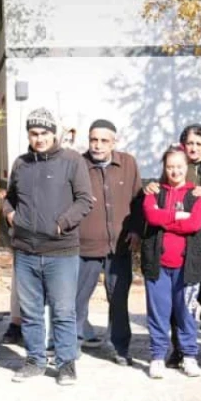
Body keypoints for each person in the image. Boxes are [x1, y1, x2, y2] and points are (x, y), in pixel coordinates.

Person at [2, 107, 94, 385]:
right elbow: (10, 198)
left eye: (44, 133)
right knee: (30, 311)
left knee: (63, 311)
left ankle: (66, 364)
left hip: (61, 251)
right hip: (26, 251)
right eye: (34, 133)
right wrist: (10, 213)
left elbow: (85, 199)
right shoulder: (21, 164)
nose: (39, 138)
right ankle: (34, 360)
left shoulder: (72, 161)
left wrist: (61, 223)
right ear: (28, 135)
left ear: (54, 134)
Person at [143, 124, 201, 368]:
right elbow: (160, 195)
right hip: (181, 245)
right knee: (177, 301)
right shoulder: (175, 165)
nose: (193, 148)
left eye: (198, 144)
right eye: (189, 143)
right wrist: (148, 186)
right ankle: (178, 351)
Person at [76, 119, 141, 365]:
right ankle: (73, 345)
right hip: (86, 247)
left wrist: (136, 230)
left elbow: (138, 202)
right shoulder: (79, 164)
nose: (98, 145)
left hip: (119, 248)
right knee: (77, 299)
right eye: (94, 139)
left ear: (114, 142)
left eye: (104, 140)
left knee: (119, 299)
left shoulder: (128, 164)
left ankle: (119, 347)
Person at [141, 145, 201, 379]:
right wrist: (178, 216)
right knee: (158, 312)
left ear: (186, 167)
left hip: (186, 267)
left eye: (179, 166)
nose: (175, 171)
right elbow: (151, 215)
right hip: (157, 265)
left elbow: (194, 224)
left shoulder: (196, 195)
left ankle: (189, 355)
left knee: (186, 312)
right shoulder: (154, 192)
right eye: (170, 167)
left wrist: (165, 218)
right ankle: (158, 356)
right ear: (164, 167)